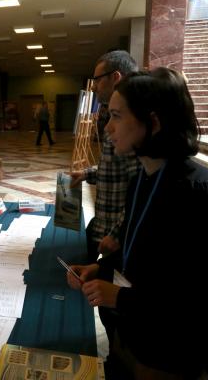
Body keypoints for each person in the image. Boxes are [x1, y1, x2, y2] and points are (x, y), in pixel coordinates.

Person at [66, 68, 208, 379]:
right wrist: (103, 267)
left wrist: (119, 297)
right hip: (132, 333)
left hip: (169, 353)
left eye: (116, 116)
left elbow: (202, 296)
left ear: (153, 122)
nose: (108, 127)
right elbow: (142, 250)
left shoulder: (199, 193)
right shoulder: (142, 176)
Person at [70, 51, 141, 262]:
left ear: (115, 77)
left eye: (97, 80)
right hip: (104, 225)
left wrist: (117, 233)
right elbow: (115, 169)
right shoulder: (118, 116)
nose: (93, 86)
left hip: (114, 237)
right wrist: (86, 174)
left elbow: (140, 190)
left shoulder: (133, 125)